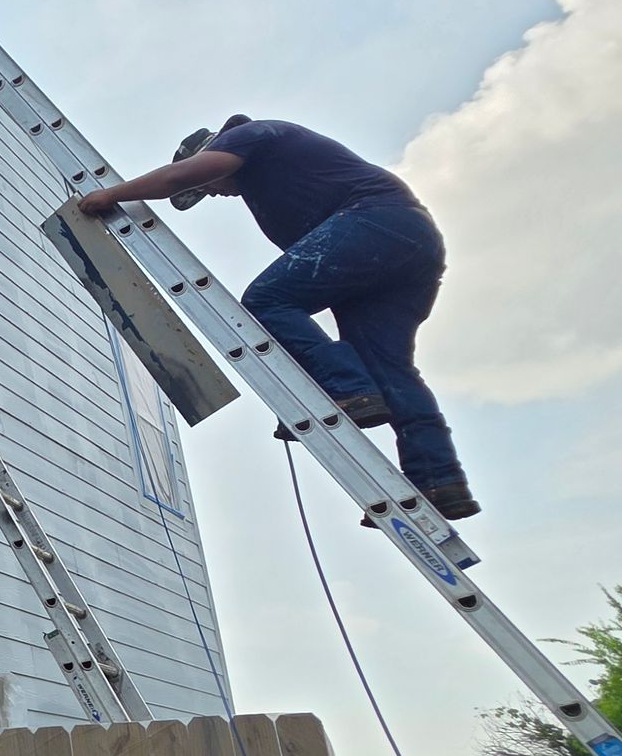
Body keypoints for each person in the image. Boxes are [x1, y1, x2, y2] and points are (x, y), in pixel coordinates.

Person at [76, 114, 478, 520]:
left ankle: (347, 389)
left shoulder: (252, 135)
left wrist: (110, 196)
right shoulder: (273, 177)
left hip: (378, 222)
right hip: (405, 248)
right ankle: (440, 481)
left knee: (266, 302)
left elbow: (179, 177)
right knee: (389, 369)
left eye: (207, 188)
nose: (213, 193)